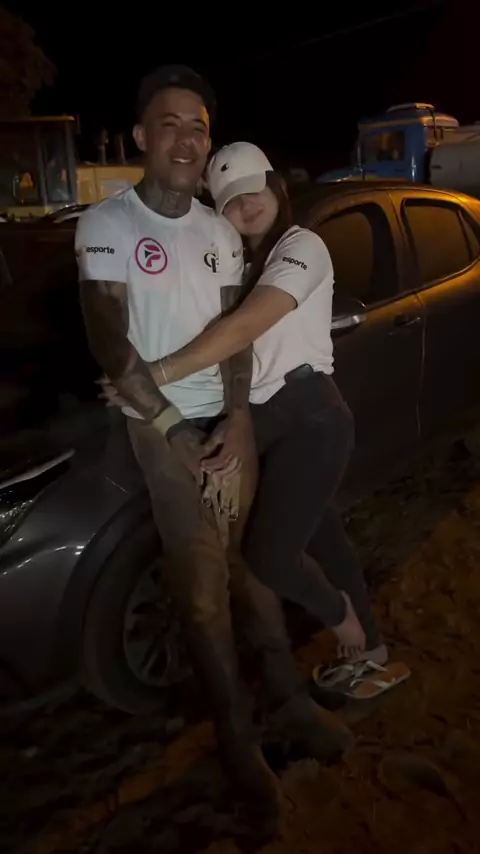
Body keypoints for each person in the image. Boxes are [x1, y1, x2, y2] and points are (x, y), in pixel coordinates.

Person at [76, 66, 353, 840]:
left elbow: (236, 338)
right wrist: (178, 433)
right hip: (156, 425)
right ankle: (238, 743)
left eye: (197, 127)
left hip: (225, 420)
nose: (186, 139)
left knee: (254, 572)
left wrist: (235, 421)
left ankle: (289, 703)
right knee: (202, 593)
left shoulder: (221, 233)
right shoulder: (105, 225)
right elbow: (110, 343)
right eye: (169, 124)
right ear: (141, 137)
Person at [103, 141, 410, 700]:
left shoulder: (302, 245)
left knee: (269, 556)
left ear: (276, 188)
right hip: (265, 420)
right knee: (326, 540)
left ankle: (344, 623)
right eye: (230, 202)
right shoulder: (236, 265)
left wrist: (149, 376)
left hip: (310, 414)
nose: (245, 207)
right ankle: (372, 652)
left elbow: (244, 327)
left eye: (253, 192)